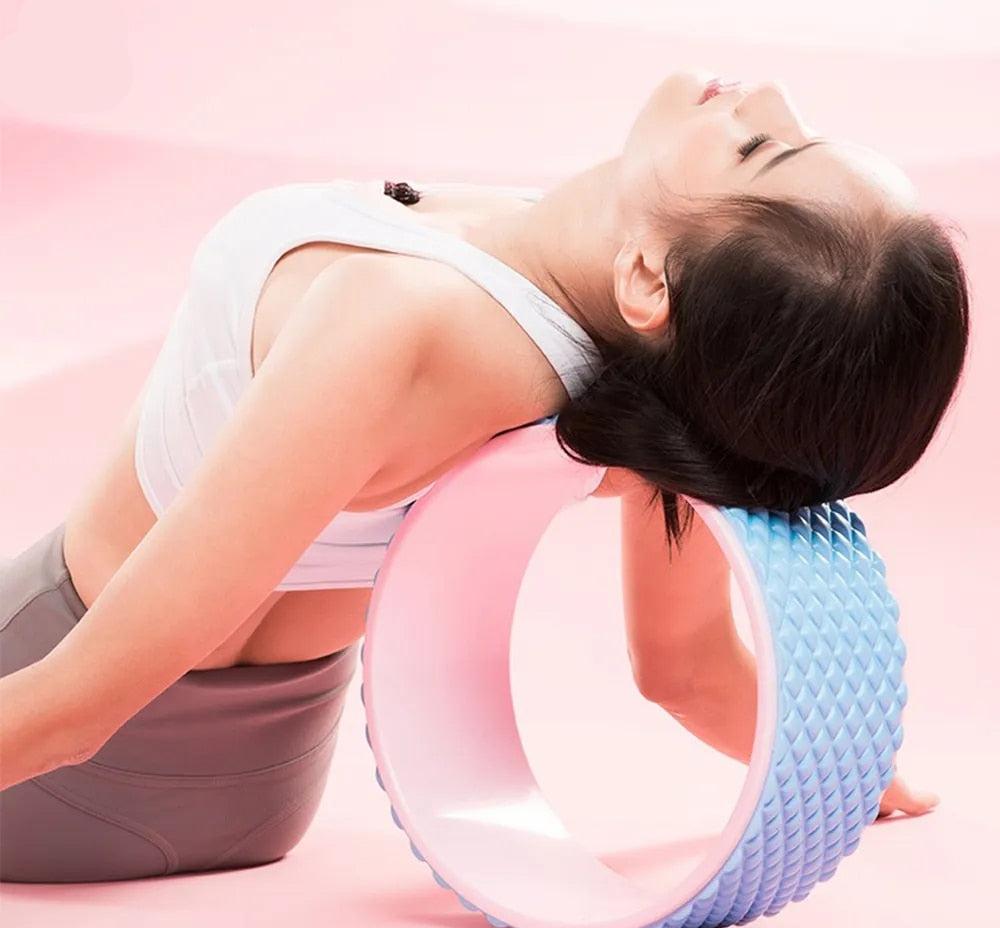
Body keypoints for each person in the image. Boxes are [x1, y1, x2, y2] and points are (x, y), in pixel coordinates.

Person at [0, 71, 965, 882]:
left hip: (57, 745)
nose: (764, 95)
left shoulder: (403, 324)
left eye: (759, 150)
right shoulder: (648, 379)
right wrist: (853, 774)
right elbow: (687, 669)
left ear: (649, 280)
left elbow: (73, 710)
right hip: (258, 787)